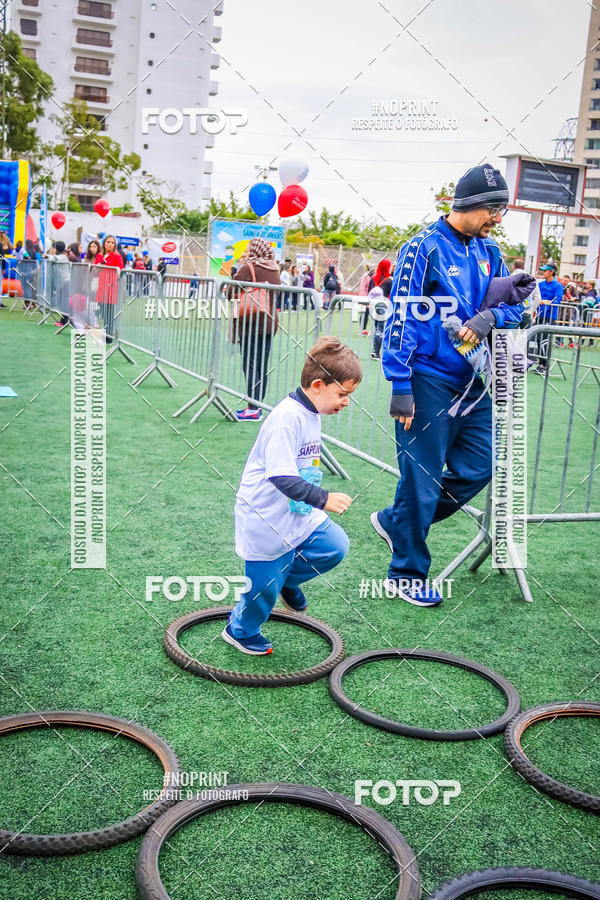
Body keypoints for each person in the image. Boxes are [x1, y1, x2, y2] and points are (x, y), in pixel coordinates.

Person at [372, 163, 525, 607]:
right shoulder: (422, 247)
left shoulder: (490, 252)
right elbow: (400, 313)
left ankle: (395, 521)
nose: (497, 218)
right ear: (469, 204)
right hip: (425, 380)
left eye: (502, 210)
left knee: (481, 465)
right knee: (421, 478)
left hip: (473, 380)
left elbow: (515, 307)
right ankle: (405, 574)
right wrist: (400, 382)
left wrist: (491, 315)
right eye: (494, 209)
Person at [223, 336, 361, 655]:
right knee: (262, 589)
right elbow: (281, 475)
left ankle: (287, 580)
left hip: (297, 512)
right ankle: (240, 630)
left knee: (334, 546)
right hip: (265, 518)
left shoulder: (311, 412)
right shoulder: (287, 418)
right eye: (342, 394)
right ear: (317, 385)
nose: (345, 402)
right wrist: (324, 498)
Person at [230, 237, 281, 422]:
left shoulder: (248, 267)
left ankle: (252, 408)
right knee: (261, 365)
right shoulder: (274, 268)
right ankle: (258, 405)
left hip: (251, 322)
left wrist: (236, 273)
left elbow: (230, 292)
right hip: (269, 323)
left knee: (249, 364)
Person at [534, 263, 563, 372]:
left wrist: (546, 303)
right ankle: (541, 364)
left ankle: (545, 366)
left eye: (545, 271)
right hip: (539, 315)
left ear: (551, 272)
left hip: (550, 317)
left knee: (545, 341)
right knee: (538, 339)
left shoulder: (558, 285)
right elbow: (536, 297)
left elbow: (557, 300)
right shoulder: (540, 284)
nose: (543, 272)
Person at [95, 234, 124, 341]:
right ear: (104, 243)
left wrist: (112, 280)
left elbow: (120, 270)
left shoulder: (117, 256)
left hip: (111, 287)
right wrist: (100, 266)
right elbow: (96, 268)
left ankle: (109, 336)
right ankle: (105, 332)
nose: (110, 244)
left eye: (112, 242)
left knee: (109, 313)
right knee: (102, 312)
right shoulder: (99, 255)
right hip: (101, 286)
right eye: (108, 242)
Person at [368, 259, 393, 351]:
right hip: (383, 306)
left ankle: (375, 350)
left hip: (373, 306)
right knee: (380, 329)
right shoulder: (389, 280)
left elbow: (369, 292)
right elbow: (392, 294)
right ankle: (376, 352)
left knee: (376, 328)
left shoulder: (373, 278)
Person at [49, 240, 71, 326]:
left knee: (64, 302)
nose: (53, 249)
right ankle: (63, 320)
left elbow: (51, 259)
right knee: (62, 302)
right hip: (62, 282)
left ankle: (65, 321)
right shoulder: (61, 256)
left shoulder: (62, 257)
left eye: (54, 248)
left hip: (65, 282)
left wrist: (51, 254)